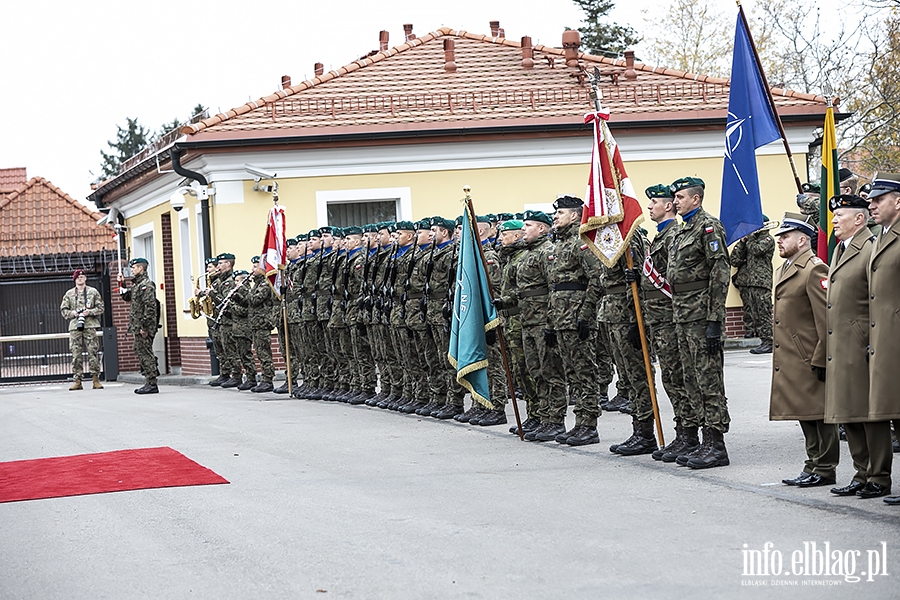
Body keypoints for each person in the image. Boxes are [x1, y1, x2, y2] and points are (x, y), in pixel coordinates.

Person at [823, 194, 887, 499]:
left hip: (861, 342)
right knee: (849, 412)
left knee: (869, 414)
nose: (834, 220)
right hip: (842, 342)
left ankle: (879, 475)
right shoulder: (840, 249)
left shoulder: (871, 247)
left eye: (840, 216)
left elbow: (877, 299)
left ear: (859, 219)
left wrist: (872, 342)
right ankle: (861, 473)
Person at [667, 177, 731, 469]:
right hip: (682, 315)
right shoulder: (683, 230)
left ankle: (717, 445)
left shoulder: (709, 227)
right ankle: (704, 441)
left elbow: (719, 273)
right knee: (691, 380)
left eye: (680, 197)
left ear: (696, 199)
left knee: (708, 381)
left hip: (701, 315)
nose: (676, 202)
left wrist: (715, 320)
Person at [768, 213, 836, 487]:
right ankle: (812, 464)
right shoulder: (785, 267)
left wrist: (821, 358)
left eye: (785, 237)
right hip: (793, 356)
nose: (779, 241)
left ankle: (825, 468)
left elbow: (826, 319)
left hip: (809, 354)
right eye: (780, 237)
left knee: (818, 413)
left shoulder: (814, 269)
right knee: (803, 413)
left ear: (803, 239)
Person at [641, 185, 694, 463]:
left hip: (669, 315)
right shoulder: (660, 235)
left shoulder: (673, 234)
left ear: (669, 207)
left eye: (655, 203)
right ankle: (682, 434)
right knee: (670, 378)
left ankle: (688, 435)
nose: (650, 207)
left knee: (677, 376)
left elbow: (673, 278)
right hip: (657, 317)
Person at [545, 195, 604, 444]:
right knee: (572, 373)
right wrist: (550, 322)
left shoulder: (582, 242)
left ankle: (588, 425)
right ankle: (579, 423)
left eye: (560, 213)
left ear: (574, 216)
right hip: (560, 320)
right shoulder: (559, 245)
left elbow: (596, 279)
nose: (555, 217)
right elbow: (554, 288)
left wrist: (586, 315)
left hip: (576, 318)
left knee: (584, 373)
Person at [866, 173, 900, 504]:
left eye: (879, 199)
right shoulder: (881, 237)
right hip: (884, 340)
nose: (871, 205)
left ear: (898, 201)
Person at [730, 220, 775, 354]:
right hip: (749, 282)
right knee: (754, 313)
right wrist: (742, 242)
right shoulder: (749, 240)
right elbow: (734, 259)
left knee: (763, 313)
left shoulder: (767, 239)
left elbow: (756, 250)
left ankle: (769, 341)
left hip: (761, 282)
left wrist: (748, 238)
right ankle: (763, 340)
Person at [118, 257, 160, 394]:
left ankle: (152, 383)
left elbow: (150, 308)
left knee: (145, 352)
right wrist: (121, 284)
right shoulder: (137, 285)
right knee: (139, 350)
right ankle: (152, 374)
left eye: (134, 267)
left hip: (144, 327)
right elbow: (126, 297)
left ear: (141, 268)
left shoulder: (146, 285)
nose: (132, 270)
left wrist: (145, 327)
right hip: (138, 326)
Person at [60, 269, 105, 390]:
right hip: (75, 326)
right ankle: (77, 380)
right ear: (74, 279)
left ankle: (95, 379)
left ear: (86, 278)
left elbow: (101, 308)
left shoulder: (93, 292)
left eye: (82, 276)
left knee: (93, 352)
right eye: (78, 277)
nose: (80, 278)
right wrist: (73, 313)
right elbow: (63, 311)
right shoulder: (69, 294)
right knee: (76, 354)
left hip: (90, 325)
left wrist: (89, 312)